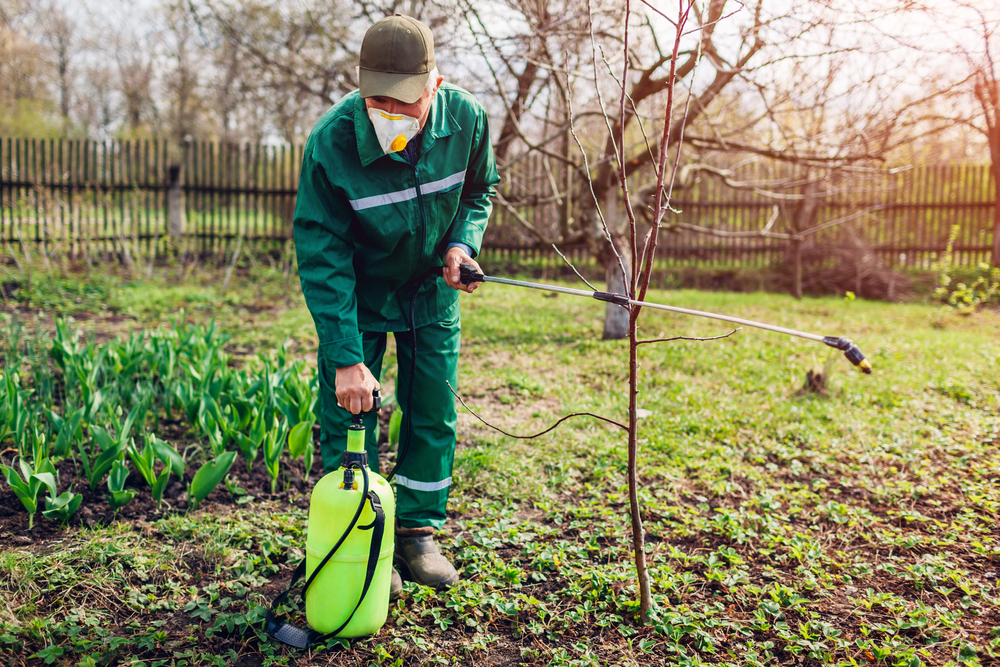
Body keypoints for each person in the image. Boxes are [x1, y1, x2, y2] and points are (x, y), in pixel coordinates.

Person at [293, 13, 498, 598]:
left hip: (431, 292)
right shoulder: (331, 142)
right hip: (358, 295)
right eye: (377, 99)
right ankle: (362, 538)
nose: (390, 111)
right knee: (350, 414)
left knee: (432, 412)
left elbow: (480, 190)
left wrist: (461, 244)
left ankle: (416, 533)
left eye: (405, 101)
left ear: (436, 86)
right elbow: (320, 251)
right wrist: (344, 356)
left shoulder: (466, 120)